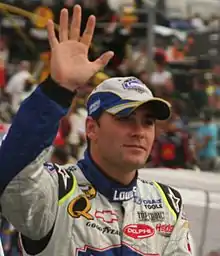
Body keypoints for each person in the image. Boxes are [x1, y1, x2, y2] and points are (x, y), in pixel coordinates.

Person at [0, 5, 194, 256]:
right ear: (91, 128)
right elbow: (10, 176)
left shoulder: (168, 204)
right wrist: (57, 89)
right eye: (126, 118)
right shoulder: (56, 191)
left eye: (148, 122)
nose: (139, 131)